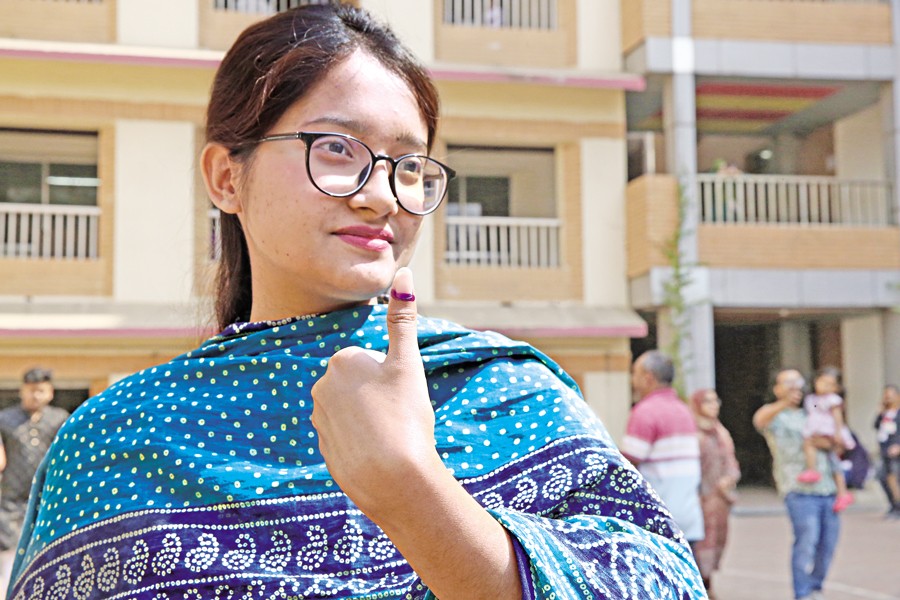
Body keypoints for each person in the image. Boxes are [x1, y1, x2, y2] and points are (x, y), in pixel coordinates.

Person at [6, 5, 705, 599]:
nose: (381, 194)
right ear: (226, 177)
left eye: (408, 164)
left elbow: (661, 580)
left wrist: (414, 491)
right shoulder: (117, 442)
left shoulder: (511, 396)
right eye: (337, 149)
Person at [753, 368, 841, 600]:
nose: (795, 388)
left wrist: (827, 441)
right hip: (798, 490)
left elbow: (836, 439)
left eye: (797, 382)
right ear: (776, 389)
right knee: (807, 540)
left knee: (827, 544)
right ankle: (802, 592)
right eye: (787, 383)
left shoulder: (812, 409)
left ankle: (816, 587)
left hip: (827, 487)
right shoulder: (775, 416)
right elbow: (759, 420)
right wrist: (783, 403)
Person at [621, 351, 705, 549]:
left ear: (648, 378)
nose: (632, 380)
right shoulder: (683, 410)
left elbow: (628, 463)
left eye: (634, 374)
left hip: (658, 520)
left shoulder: (645, 411)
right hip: (688, 517)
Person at [0, 367, 69, 598]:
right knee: (9, 558)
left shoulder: (60, 419)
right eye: (31, 390)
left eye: (40, 391)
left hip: (48, 499)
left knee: (45, 553)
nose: (35, 396)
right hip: (10, 502)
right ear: (22, 390)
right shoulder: (5, 419)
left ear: (50, 392)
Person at [689, 388, 740, 599]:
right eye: (707, 401)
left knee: (716, 540)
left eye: (715, 400)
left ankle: (708, 584)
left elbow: (731, 462)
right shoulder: (692, 433)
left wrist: (729, 477)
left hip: (719, 499)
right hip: (698, 498)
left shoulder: (721, 432)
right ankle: (701, 587)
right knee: (701, 544)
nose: (714, 405)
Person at [796, 367, 855, 512]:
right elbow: (813, 411)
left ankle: (815, 471)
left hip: (827, 430)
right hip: (816, 429)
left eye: (830, 384)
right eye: (823, 382)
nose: (825, 386)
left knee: (813, 446)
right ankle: (841, 492)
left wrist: (838, 432)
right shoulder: (812, 399)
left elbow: (837, 417)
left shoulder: (832, 400)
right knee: (832, 461)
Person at [875, 384, 900, 517]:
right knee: (882, 476)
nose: (888, 399)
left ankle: (898, 507)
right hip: (884, 450)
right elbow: (875, 426)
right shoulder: (885, 413)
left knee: (895, 479)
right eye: (886, 396)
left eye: (891, 396)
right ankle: (893, 504)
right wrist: (881, 412)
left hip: (896, 452)